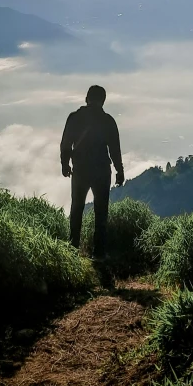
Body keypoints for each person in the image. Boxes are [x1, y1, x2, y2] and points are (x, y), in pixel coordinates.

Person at [60, 85, 124, 260]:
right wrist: (120, 170)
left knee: (77, 208)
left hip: (80, 169)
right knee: (101, 211)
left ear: (86, 98)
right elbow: (115, 149)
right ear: (103, 101)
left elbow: (65, 144)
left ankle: (72, 250)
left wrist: (65, 165)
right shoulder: (108, 121)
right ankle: (99, 253)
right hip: (102, 170)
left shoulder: (74, 118)